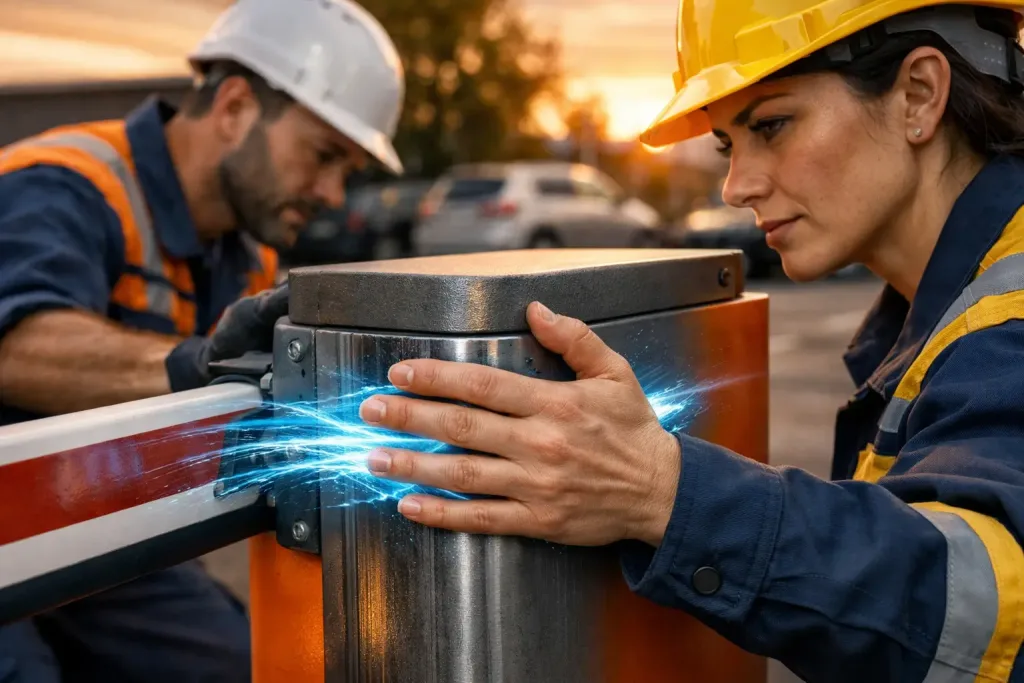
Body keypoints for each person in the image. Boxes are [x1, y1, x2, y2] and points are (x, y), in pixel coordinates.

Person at [355, 0, 1024, 680]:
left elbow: (995, 617)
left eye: (774, 124)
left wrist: (661, 491)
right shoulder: (946, 308)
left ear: (919, 95)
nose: (737, 185)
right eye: (729, 144)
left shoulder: (1012, 322)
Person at [0, 0, 403, 680]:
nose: (334, 192)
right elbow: (17, 346)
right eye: (325, 155)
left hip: (87, 524)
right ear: (236, 107)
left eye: (350, 170)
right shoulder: (67, 183)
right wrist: (201, 363)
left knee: (249, 666)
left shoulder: (247, 255)